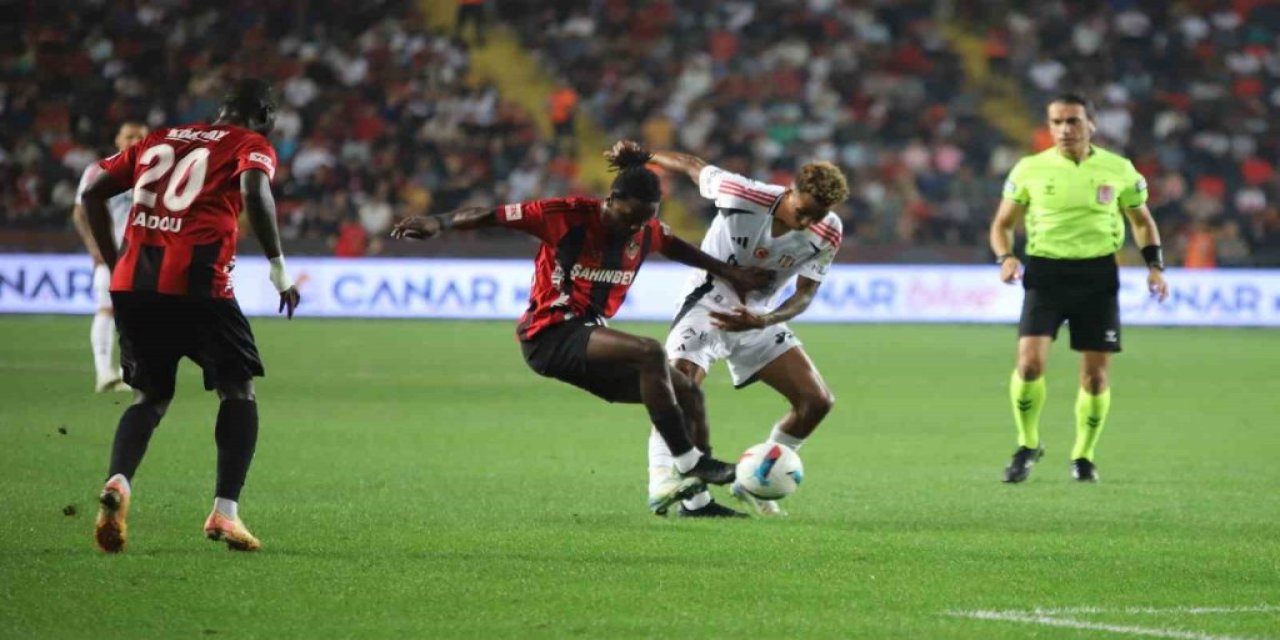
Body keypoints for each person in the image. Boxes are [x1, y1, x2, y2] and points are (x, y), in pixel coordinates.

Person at [392, 141, 773, 516]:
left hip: (587, 337)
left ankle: (696, 501)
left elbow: (677, 248)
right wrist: (437, 222)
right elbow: (489, 214)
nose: (634, 228)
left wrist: (730, 272)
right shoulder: (563, 214)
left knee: (688, 392)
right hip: (549, 333)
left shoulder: (645, 229)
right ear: (610, 199)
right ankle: (690, 462)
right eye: (628, 218)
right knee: (649, 351)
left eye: (643, 220)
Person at [81, 79, 301, 553]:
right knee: (238, 389)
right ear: (262, 113)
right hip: (199, 284)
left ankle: (118, 481)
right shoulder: (251, 143)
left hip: (133, 284)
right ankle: (225, 513)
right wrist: (279, 267)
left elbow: (90, 190)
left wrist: (114, 256)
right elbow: (256, 190)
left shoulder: (158, 139)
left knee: (150, 396)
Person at [643, 148, 851, 517]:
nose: (806, 223)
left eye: (816, 216)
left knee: (817, 402)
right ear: (789, 190)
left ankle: (758, 477)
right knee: (681, 385)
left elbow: (805, 295)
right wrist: (646, 155)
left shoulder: (829, 230)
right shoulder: (742, 194)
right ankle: (666, 479)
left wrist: (766, 320)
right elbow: (694, 167)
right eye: (802, 211)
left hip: (758, 317)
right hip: (708, 303)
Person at [989, 93, 1169, 484]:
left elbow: (1141, 221)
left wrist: (1155, 267)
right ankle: (1027, 443)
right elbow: (1002, 224)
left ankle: (1084, 455)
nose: (1064, 130)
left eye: (1072, 121)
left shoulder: (1118, 169)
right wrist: (1006, 257)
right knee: (1029, 364)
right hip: (1045, 274)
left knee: (1095, 378)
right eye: (1056, 122)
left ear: (1091, 124)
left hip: (1097, 276)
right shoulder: (1029, 169)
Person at [71, 121, 148, 392]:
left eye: (140, 136)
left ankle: (135, 372)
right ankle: (104, 372)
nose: (134, 141)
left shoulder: (156, 171)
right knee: (107, 307)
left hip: (147, 256)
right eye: (129, 136)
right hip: (111, 254)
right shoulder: (98, 170)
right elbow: (80, 212)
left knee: (144, 314)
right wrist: (94, 247)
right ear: (118, 139)